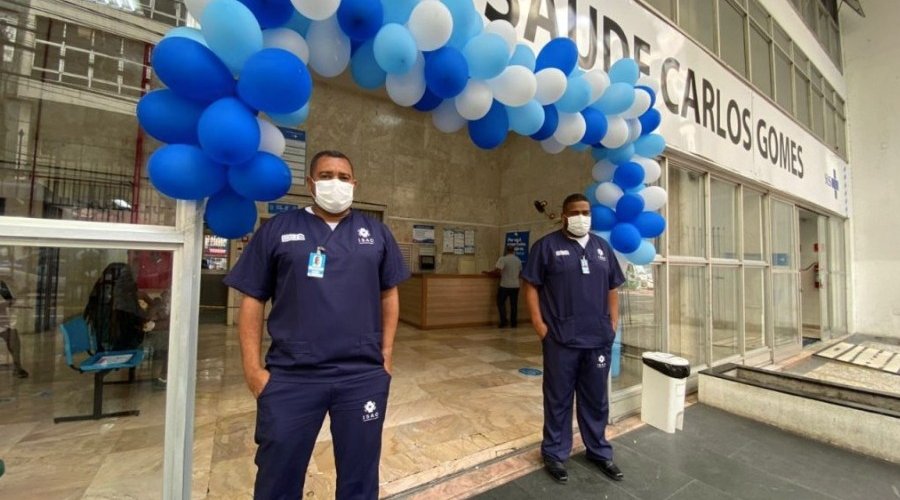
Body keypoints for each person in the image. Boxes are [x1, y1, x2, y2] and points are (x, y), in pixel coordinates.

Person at [224, 150, 409, 500]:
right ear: (310, 183)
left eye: (343, 177)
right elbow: (252, 298)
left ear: (354, 184)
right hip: (292, 376)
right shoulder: (278, 229)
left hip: (361, 375)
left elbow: (389, 293)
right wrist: (252, 369)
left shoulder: (376, 233)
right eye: (326, 176)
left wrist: (385, 355)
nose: (335, 183)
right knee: (277, 478)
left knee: (360, 479)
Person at [521, 193, 626, 484]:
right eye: (576, 212)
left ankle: (599, 451)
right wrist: (539, 325)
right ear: (564, 215)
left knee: (596, 400)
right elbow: (531, 286)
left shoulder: (602, 248)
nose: (582, 217)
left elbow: (612, 288)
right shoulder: (546, 247)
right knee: (558, 398)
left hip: (597, 339)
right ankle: (554, 453)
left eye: (586, 212)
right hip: (560, 340)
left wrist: (612, 324)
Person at [83, 262, 145, 351]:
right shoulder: (120, 308)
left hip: (105, 349)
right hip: (118, 352)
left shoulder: (99, 301)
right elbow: (140, 325)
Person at [484, 246, 522, 328]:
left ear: (506, 251)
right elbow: (520, 273)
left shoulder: (503, 259)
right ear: (513, 251)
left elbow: (497, 271)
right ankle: (513, 323)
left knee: (500, 303)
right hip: (516, 285)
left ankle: (503, 321)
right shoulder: (518, 260)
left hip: (505, 285)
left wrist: (488, 273)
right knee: (514, 305)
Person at [0, 279, 28, 378]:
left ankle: (18, 368)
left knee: (15, 343)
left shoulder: (2, 286)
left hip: (4, 324)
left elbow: (11, 301)